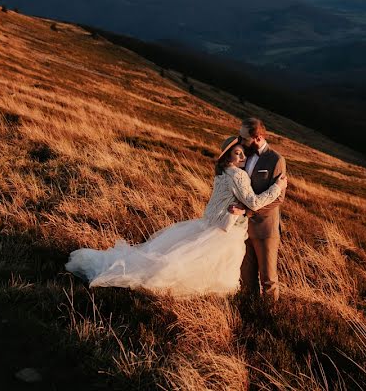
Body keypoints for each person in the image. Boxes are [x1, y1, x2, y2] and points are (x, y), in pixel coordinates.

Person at [64, 136, 286, 296]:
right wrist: (277, 187)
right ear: (227, 157)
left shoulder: (222, 174)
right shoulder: (237, 175)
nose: (242, 156)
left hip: (210, 223)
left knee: (185, 257)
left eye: (243, 153)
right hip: (223, 230)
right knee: (200, 265)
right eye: (238, 153)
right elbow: (255, 202)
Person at [237, 117, 287, 302]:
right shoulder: (243, 156)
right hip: (242, 229)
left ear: (257, 137)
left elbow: (278, 198)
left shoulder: (276, 160)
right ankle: (249, 313)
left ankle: (269, 317)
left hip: (265, 229)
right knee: (246, 279)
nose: (240, 141)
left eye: (244, 138)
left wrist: (248, 212)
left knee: (268, 280)